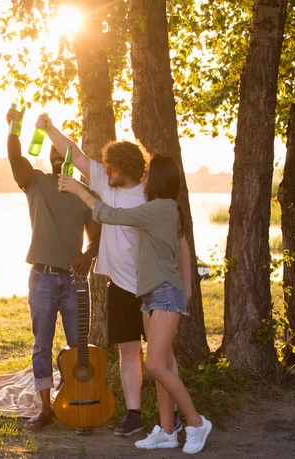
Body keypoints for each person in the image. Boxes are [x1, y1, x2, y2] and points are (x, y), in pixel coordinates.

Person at [37, 114, 191, 436]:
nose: (105, 171)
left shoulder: (150, 197)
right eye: (104, 167)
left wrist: (187, 286)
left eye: (111, 167)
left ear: (129, 170)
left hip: (153, 288)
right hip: (119, 286)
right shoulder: (103, 182)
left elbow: (179, 242)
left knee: (163, 355)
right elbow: (75, 153)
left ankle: (173, 416)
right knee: (127, 349)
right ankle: (134, 414)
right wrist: (49, 128)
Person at [59, 155, 212, 454]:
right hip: (151, 296)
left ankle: (196, 422)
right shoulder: (161, 209)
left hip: (166, 294)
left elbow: (110, 215)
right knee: (164, 364)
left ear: (158, 179)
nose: (143, 178)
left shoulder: (159, 209)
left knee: (155, 364)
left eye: (147, 174)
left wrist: (80, 190)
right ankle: (168, 431)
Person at [6, 107, 101, 432]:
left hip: (75, 280)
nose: (61, 158)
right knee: (42, 344)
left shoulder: (83, 193)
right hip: (42, 276)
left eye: (66, 154)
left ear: (73, 160)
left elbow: (98, 235)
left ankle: (80, 404)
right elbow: (16, 160)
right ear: (50, 158)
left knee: (79, 348)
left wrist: (89, 255)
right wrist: (14, 128)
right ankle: (45, 409)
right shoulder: (36, 182)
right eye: (56, 154)